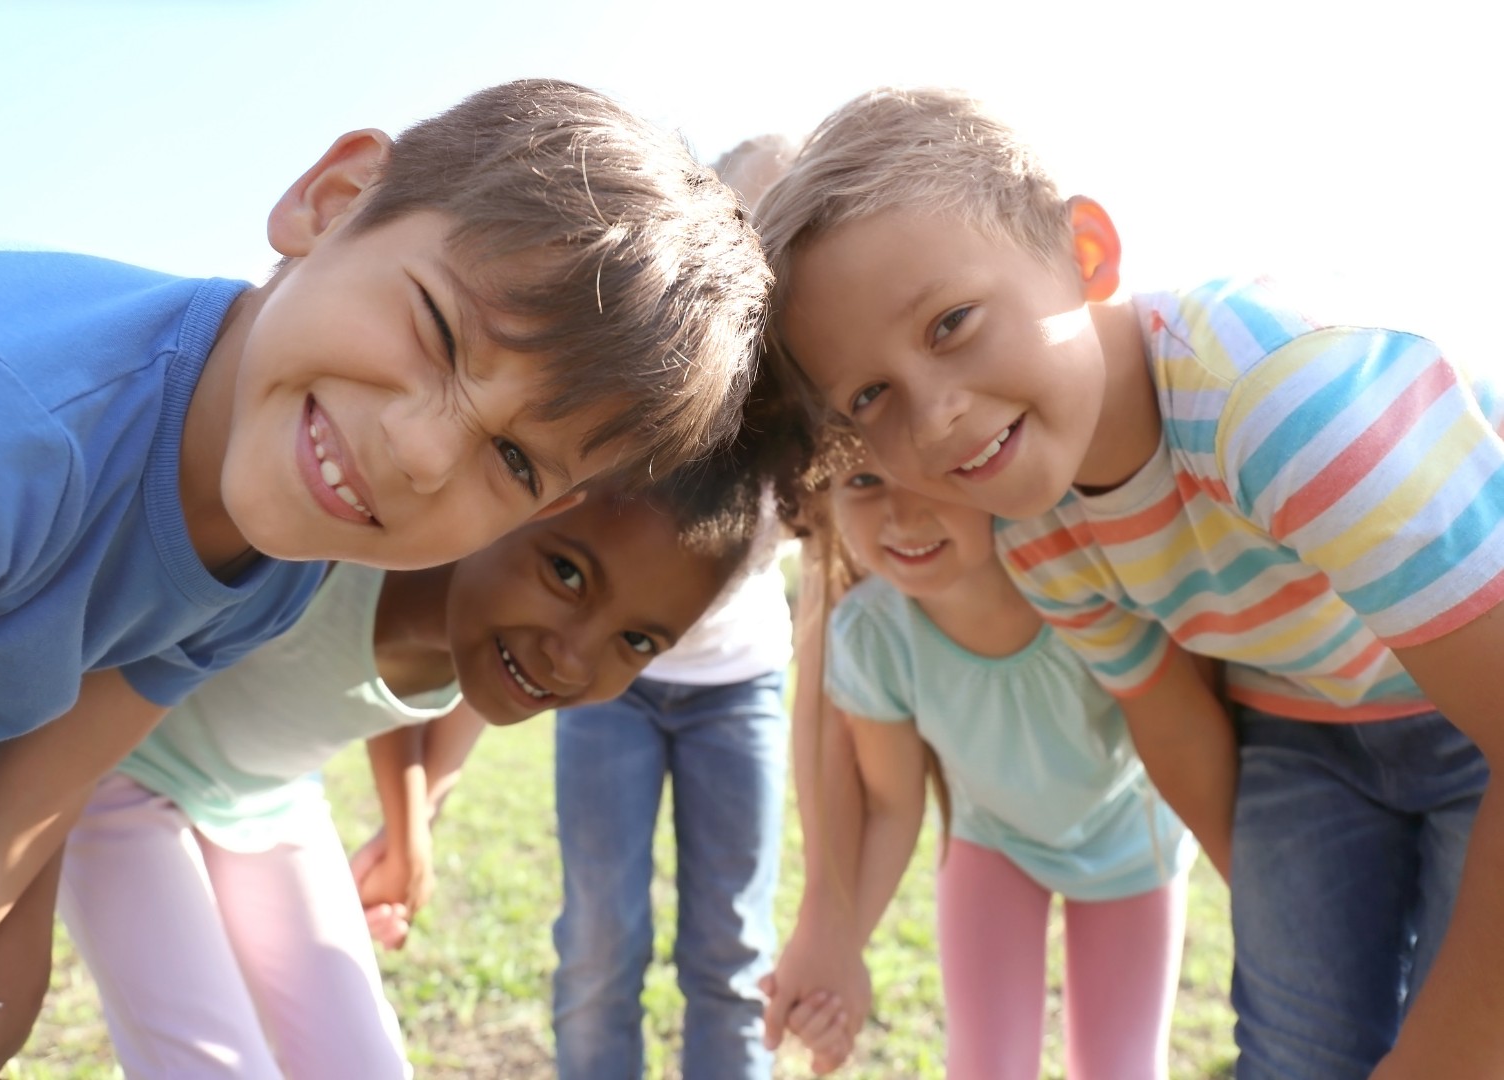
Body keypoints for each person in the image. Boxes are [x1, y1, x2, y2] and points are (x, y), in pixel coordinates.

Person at [0, 77, 770, 1076]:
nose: (424, 455)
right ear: (334, 200)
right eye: (439, 330)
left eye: (516, 462)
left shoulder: (284, 555)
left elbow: (33, 796)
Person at [754, 85, 1504, 1080]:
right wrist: (1304, 936)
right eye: (869, 396)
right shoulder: (1032, 525)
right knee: (1300, 1045)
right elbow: (1163, 713)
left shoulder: (1280, 401)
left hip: (1468, 715)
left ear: (1087, 254)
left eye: (952, 324)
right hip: (1301, 735)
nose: (930, 420)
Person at [0, 438, 781, 1079]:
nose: (572, 660)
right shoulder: (342, 548)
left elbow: (381, 685)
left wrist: (409, 831)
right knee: (213, 1063)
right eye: (566, 572)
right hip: (118, 778)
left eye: (637, 641)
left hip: (268, 799)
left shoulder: (491, 636)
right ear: (517, 499)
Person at [772, 427, 1195, 1079]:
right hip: (992, 842)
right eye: (863, 482)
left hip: (1130, 845)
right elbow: (890, 804)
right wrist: (836, 957)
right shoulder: (870, 634)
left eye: (932, 478)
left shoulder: (1083, 584)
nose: (904, 514)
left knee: (1121, 1069)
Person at [548, 134, 798, 1080]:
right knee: (600, 940)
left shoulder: (805, 421)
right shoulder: (643, 380)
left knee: (731, 950)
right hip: (610, 687)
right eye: (743, 228)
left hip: (741, 689)